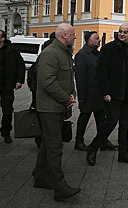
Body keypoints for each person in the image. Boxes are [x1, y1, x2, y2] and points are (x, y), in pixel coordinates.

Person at [32, 23, 81, 201]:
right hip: (49, 108)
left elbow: (68, 78)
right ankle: (59, 185)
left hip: (57, 107)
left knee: (47, 142)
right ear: (64, 35)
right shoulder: (50, 54)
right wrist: (65, 98)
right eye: (73, 34)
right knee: (55, 146)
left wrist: (72, 93)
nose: (75, 37)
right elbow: (47, 82)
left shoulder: (64, 52)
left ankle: (40, 176)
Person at [86, 23, 128, 166]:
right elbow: (100, 72)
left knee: (125, 124)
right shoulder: (109, 49)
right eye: (120, 31)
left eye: (125, 32)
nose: (122, 34)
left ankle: (123, 153)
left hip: (127, 93)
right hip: (113, 93)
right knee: (110, 122)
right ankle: (93, 147)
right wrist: (105, 92)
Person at [74, 31, 117, 151]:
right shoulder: (82, 55)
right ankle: (79, 141)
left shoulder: (97, 54)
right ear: (90, 41)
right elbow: (80, 76)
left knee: (101, 119)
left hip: (99, 93)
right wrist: (81, 95)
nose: (99, 40)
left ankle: (103, 140)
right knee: (84, 118)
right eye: (96, 38)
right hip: (88, 94)